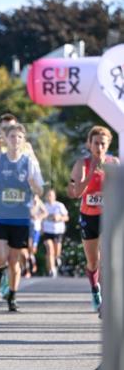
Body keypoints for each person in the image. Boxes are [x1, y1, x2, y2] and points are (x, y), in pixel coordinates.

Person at [0, 124, 44, 312]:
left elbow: (40, 190)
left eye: (19, 137)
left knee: (14, 261)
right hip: (1, 216)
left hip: (20, 219)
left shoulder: (29, 163)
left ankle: (12, 295)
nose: (15, 140)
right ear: (6, 139)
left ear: (23, 140)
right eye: (12, 136)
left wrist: (33, 183)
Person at [68, 125, 119, 314]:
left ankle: (107, 301)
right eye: (95, 143)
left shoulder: (114, 163)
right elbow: (76, 192)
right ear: (89, 145)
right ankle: (94, 289)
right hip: (89, 217)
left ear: (108, 145)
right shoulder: (82, 163)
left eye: (102, 144)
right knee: (93, 261)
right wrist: (92, 173)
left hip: (109, 216)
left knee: (109, 259)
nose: (99, 147)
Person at [41, 189, 69, 277]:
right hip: (47, 231)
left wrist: (59, 218)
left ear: (54, 196)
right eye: (48, 195)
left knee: (56, 252)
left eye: (51, 195)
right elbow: (39, 218)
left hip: (58, 231)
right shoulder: (43, 206)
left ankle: (57, 259)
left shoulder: (59, 205)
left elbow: (67, 217)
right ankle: (52, 270)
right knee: (50, 249)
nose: (49, 197)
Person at [27, 194, 47, 277]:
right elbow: (27, 213)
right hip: (28, 228)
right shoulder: (28, 203)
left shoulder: (40, 203)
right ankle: (28, 269)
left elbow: (45, 213)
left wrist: (39, 217)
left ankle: (33, 263)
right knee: (28, 248)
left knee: (33, 249)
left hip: (36, 229)